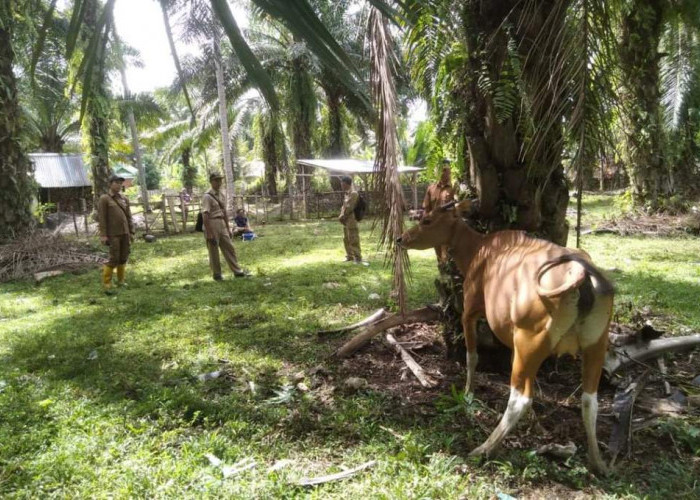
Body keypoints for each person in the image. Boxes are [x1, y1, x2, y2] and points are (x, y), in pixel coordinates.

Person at [202, 172, 250, 280]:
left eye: (220, 180)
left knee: (229, 247)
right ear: (211, 182)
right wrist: (209, 232)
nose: (219, 182)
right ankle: (217, 274)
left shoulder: (222, 194)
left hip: (222, 223)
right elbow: (205, 215)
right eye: (216, 180)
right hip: (212, 222)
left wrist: (228, 228)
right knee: (213, 250)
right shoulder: (207, 196)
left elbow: (224, 212)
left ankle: (237, 271)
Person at [97, 174, 135, 293]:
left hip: (125, 233)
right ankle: (107, 282)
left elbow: (129, 217)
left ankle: (121, 280)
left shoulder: (124, 199)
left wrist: (132, 231)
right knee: (114, 258)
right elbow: (102, 218)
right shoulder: (104, 198)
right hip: (113, 234)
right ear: (110, 184)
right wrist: (103, 235)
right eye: (116, 183)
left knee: (124, 257)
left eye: (120, 183)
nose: (119, 185)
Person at [422, 159, 456, 264]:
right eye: (441, 170)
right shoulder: (431, 188)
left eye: (446, 170)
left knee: (448, 256)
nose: (443, 172)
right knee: (439, 257)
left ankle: (449, 276)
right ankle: (442, 275)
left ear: (450, 171)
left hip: (449, 229)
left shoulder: (455, 188)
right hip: (435, 229)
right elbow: (426, 209)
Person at [338, 175, 366, 265]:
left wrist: (343, 216)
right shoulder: (346, 194)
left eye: (342, 184)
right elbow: (343, 206)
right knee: (346, 239)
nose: (341, 185)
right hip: (345, 220)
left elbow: (350, 207)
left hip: (351, 220)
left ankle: (358, 258)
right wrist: (341, 215)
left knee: (353, 239)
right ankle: (349, 256)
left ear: (346, 184)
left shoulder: (354, 194)